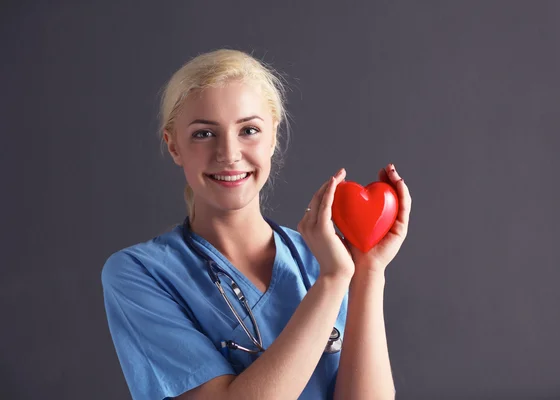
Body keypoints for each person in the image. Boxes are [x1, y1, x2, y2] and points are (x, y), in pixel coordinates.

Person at [101, 48, 412, 400]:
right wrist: (332, 282)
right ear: (174, 146)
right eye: (204, 134)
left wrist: (368, 271)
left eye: (248, 130)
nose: (229, 154)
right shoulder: (139, 273)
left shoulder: (322, 257)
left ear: (273, 138)